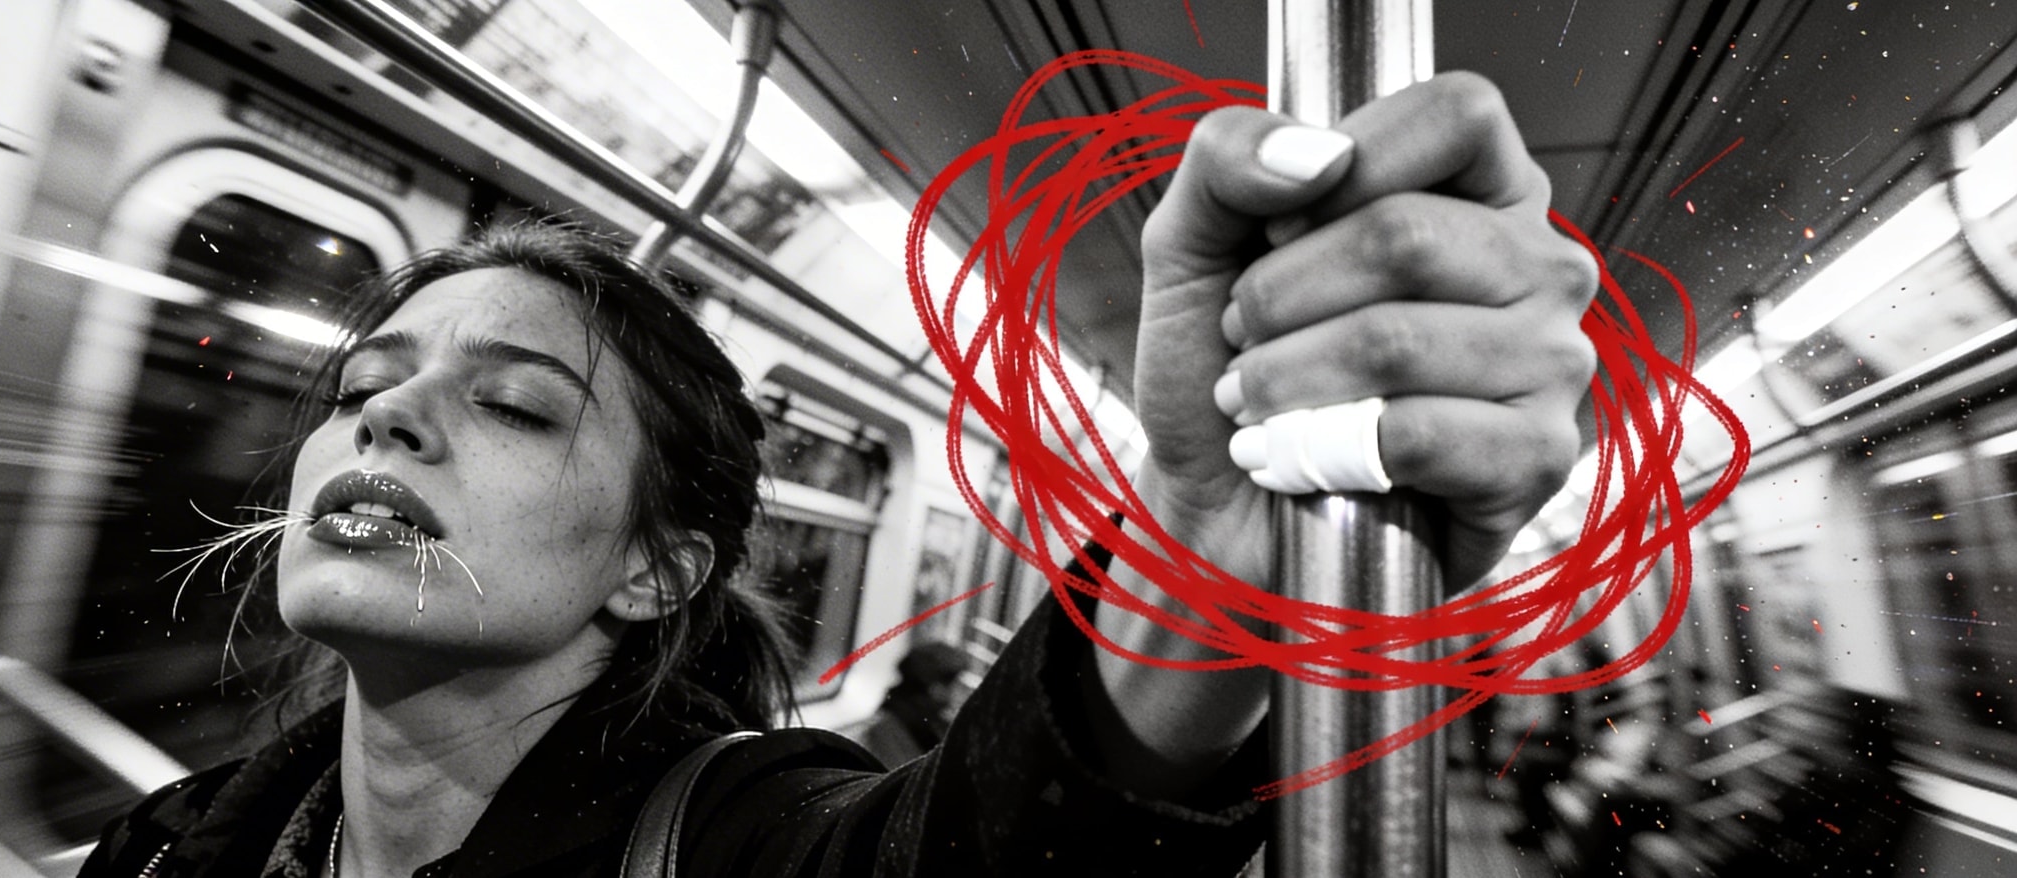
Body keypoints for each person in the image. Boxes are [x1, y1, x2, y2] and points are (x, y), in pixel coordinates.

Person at [79, 73, 1596, 877]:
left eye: (517, 405)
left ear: (656, 565)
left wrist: (1205, 542)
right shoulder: (166, 845)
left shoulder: (750, 839)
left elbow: (983, 850)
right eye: (361, 388)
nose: (387, 421)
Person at [840, 642, 974, 768]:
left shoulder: (913, 720)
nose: (964, 691)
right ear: (936, 688)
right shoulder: (890, 730)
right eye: (958, 682)